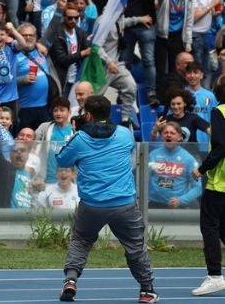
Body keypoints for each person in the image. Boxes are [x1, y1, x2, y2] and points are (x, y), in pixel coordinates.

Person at [57, 95, 158, 303]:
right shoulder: (124, 134)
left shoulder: (80, 138)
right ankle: (147, 291)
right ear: (109, 112)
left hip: (92, 204)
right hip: (124, 204)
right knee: (135, 247)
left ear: (88, 115)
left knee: (81, 241)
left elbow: (62, 159)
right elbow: (128, 149)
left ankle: (71, 280)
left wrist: (77, 133)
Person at [192, 75, 225, 296]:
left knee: (210, 226)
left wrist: (202, 168)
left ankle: (215, 275)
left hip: (221, 182)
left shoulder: (219, 111)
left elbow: (221, 145)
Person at [148, 122, 201, 209]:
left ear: (179, 137)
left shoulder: (189, 159)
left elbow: (198, 187)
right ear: (162, 136)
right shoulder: (153, 155)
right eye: (166, 133)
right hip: (154, 205)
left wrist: (181, 200)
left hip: (178, 207)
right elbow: (142, 179)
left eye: (172, 133)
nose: (168, 135)